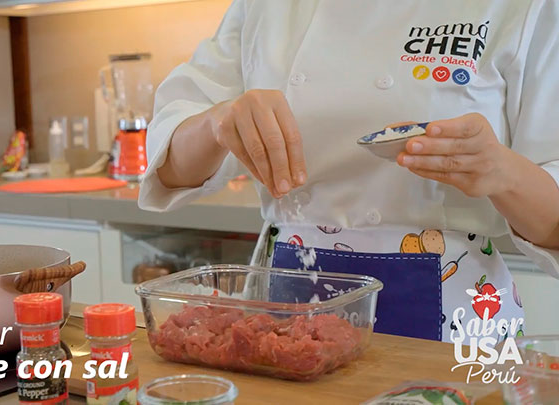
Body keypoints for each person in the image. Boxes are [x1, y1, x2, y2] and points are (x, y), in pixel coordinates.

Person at [138, 0, 559, 342]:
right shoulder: (267, 7)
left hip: (456, 319)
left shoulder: (524, 8)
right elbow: (169, 166)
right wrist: (217, 122)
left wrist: (503, 172)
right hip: (285, 304)